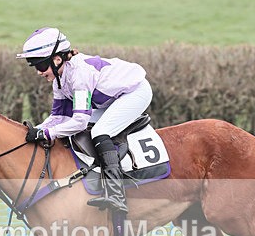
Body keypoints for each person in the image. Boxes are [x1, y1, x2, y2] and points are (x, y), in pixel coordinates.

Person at [16, 27, 153, 217]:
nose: (39, 72)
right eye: (34, 67)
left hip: (134, 93)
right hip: (110, 99)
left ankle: (116, 194)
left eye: (40, 66)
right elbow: (58, 118)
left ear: (57, 59)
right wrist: (34, 131)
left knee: (99, 133)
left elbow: (79, 121)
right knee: (75, 130)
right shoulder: (59, 79)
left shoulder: (79, 74)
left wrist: (46, 134)